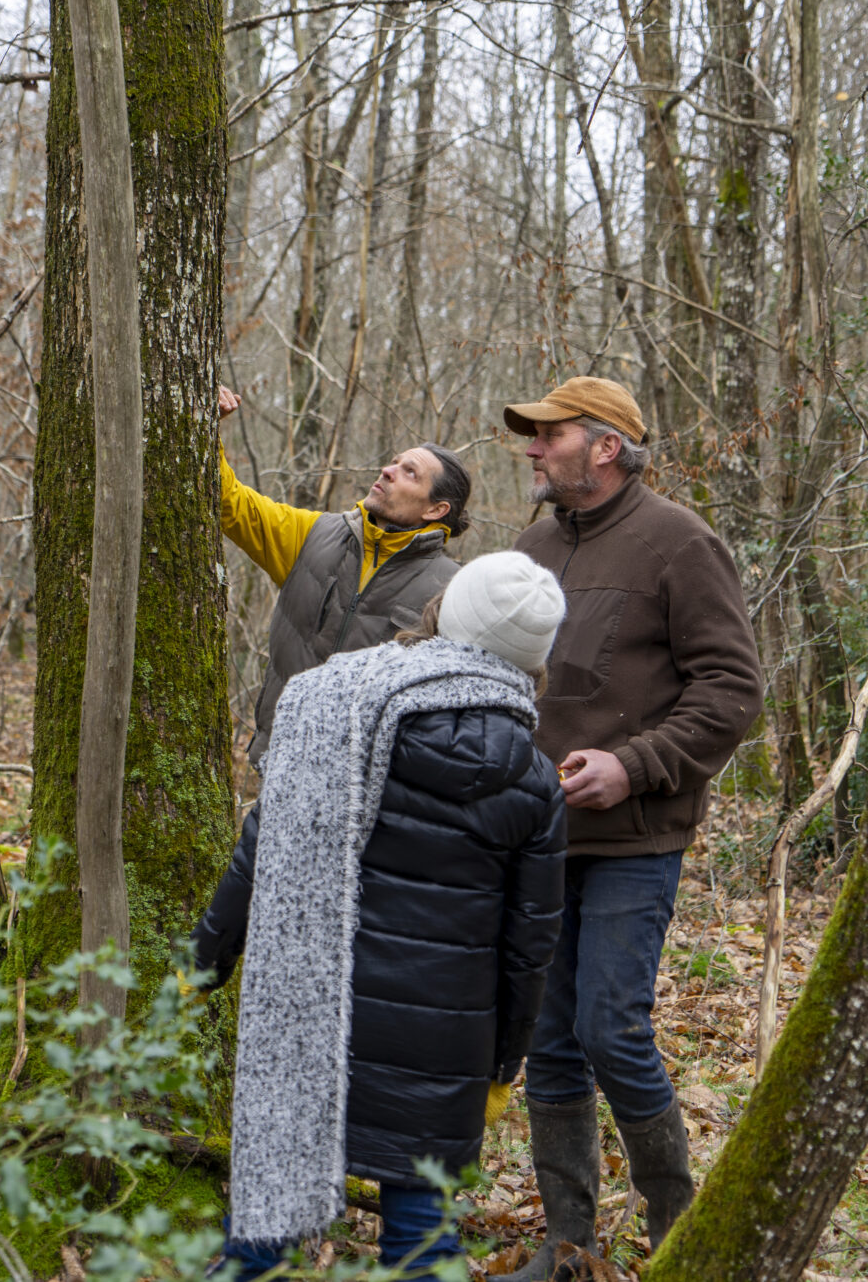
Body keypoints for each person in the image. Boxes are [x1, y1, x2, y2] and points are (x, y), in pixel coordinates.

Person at [190, 551, 568, 1279]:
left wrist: (206, 959)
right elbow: (531, 945)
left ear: (444, 614)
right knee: (422, 1243)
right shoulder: (533, 777)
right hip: (446, 1045)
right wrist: (501, 1064)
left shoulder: (331, 704)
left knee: (259, 1242)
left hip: (308, 1017)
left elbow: (261, 850)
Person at [500, 375, 763, 1273]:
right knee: (548, 1038)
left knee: (611, 1027)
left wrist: (635, 764)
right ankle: (568, 1242)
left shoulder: (680, 543)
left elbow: (732, 687)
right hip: (537, 837)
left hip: (636, 839)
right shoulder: (532, 545)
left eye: (549, 435)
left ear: (605, 446)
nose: (532, 449)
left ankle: (676, 1228)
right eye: (530, 437)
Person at [217, 386, 471, 762]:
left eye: (409, 472)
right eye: (394, 462)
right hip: (279, 764)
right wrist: (208, 429)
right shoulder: (313, 534)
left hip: (369, 791)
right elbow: (229, 503)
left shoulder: (452, 592)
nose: (388, 470)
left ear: (436, 510)